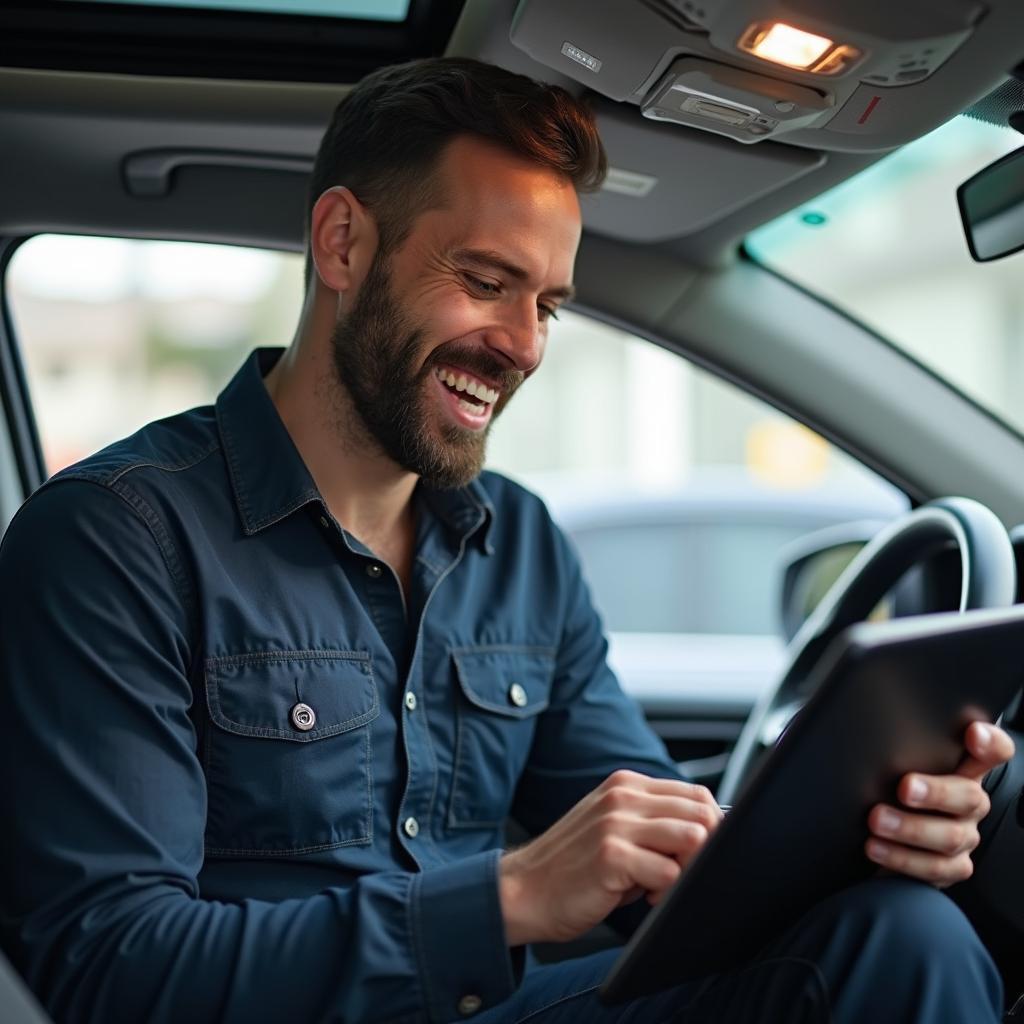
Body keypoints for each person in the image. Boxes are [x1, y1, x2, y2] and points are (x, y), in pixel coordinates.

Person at [0, 57, 1013, 1024]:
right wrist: (507, 898)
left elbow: (660, 856)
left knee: (896, 929)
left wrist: (870, 832)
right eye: (485, 280)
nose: (524, 343)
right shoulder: (114, 538)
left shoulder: (519, 544)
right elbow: (110, 968)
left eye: (548, 305)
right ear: (343, 243)